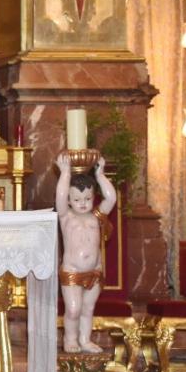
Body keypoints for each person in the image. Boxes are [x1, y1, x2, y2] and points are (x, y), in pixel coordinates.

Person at [55, 152, 115, 354]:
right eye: (77, 199)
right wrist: (65, 173)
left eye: (88, 198)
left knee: (88, 308)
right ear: (70, 201)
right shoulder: (66, 217)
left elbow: (111, 198)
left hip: (94, 272)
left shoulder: (96, 216)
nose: (83, 203)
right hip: (72, 271)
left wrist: (100, 176)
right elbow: (60, 198)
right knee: (73, 309)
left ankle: (85, 339)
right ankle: (70, 339)